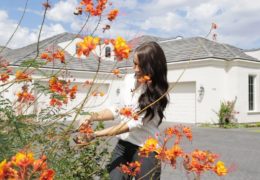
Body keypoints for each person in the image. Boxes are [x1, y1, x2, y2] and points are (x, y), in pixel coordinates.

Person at [76, 41, 169, 180]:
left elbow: (130, 125)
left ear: (152, 67)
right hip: (124, 145)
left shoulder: (157, 94)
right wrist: (91, 117)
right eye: (134, 63)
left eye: (140, 65)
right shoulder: (129, 80)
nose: (135, 69)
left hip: (146, 149)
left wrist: (95, 134)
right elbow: (117, 109)